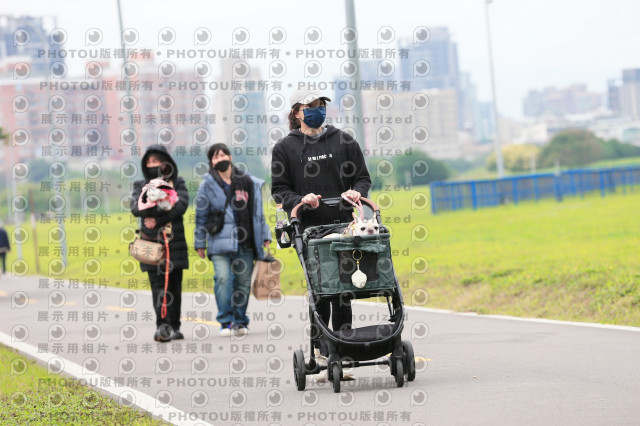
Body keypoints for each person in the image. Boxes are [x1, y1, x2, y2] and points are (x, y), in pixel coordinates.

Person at [270, 89, 372, 380]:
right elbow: (279, 190)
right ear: (297, 112)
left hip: (345, 228)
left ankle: (344, 350)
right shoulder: (284, 148)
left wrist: (357, 192)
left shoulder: (344, 141)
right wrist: (301, 200)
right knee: (321, 293)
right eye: (310, 106)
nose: (317, 110)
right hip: (309, 232)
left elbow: (362, 178)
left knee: (344, 290)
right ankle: (320, 353)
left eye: (321, 105)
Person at [194, 143, 272, 337]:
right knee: (223, 279)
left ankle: (239, 320)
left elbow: (258, 213)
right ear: (211, 162)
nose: (220, 159)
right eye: (215, 156)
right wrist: (199, 243)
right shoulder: (206, 185)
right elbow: (200, 217)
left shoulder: (247, 182)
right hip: (219, 242)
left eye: (223, 155)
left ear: (230, 157)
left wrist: (265, 234)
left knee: (243, 283)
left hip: (246, 241)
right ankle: (225, 321)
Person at [131, 145, 189, 342]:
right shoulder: (140, 185)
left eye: (156, 161)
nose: (152, 165)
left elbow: (181, 206)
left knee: (174, 286)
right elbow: (136, 208)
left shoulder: (177, 182)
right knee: (158, 287)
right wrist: (160, 211)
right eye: (149, 162)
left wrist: (157, 220)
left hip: (174, 244)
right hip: (151, 245)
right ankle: (162, 326)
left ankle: (175, 326)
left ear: (166, 163)